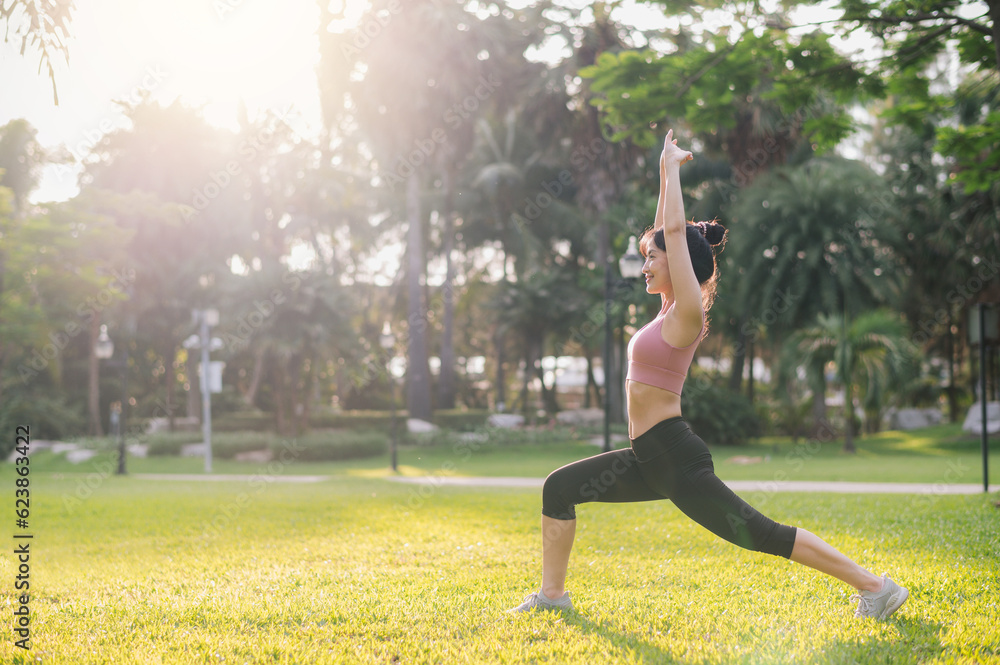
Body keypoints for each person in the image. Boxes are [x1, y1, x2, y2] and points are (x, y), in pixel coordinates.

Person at [511, 130, 908, 620]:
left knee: (762, 535)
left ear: (679, 266)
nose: (645, 266)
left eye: (651, 259)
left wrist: (674, 173)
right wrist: (663, 166)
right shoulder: (667, 310)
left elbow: (673, 235)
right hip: (646, 456)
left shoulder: (688, 314)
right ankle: (552, 597)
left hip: (674, 458)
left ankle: (878, 587)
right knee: (559, 488)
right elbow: (665, 230)